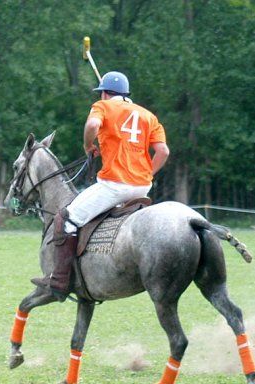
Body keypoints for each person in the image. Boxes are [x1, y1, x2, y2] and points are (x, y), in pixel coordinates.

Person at [30, 71, 170, 296]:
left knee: (65, 218)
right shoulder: (149, 116)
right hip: (143, 187)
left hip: (115, 185)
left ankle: (59, 281)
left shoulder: (102, 107)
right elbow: (163, 151)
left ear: (105, 93)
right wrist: (147, 174)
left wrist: (88, 145)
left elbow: (92, 126)